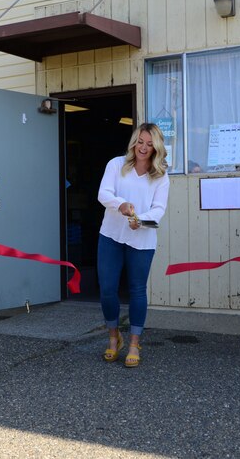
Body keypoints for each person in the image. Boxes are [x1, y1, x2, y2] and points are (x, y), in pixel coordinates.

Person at [97, 123, 170, 368]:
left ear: (156, 147)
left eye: (149, 144)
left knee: (137, 290)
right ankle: (113, 336)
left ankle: (134, 343)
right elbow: (103, 193)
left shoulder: (160, 175)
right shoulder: (116, 164)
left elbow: (159, 209)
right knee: (107, 289)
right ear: (134, 141)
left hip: (142, 239)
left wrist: (142, 221)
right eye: (140, 141)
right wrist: (121, 205)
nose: (143, 147)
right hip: (111, 235)